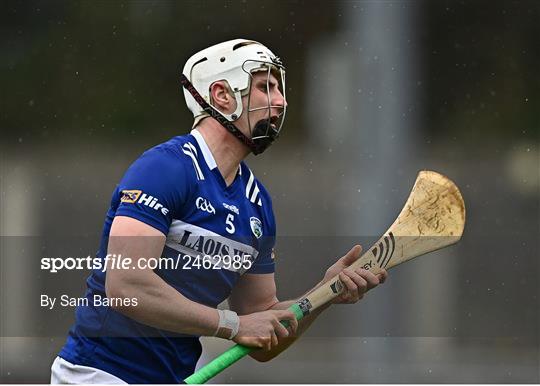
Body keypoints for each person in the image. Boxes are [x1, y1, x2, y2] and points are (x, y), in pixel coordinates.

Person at [51, 38, 388, 384]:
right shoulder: (166, 169)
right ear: (222, 95)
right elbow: (126, 286)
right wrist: (232, 325)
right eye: (265, 86)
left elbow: (261, 332)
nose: (280, 100)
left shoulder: (256, 204)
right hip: (98, 374)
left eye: (278, 89)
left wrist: (325, 292)